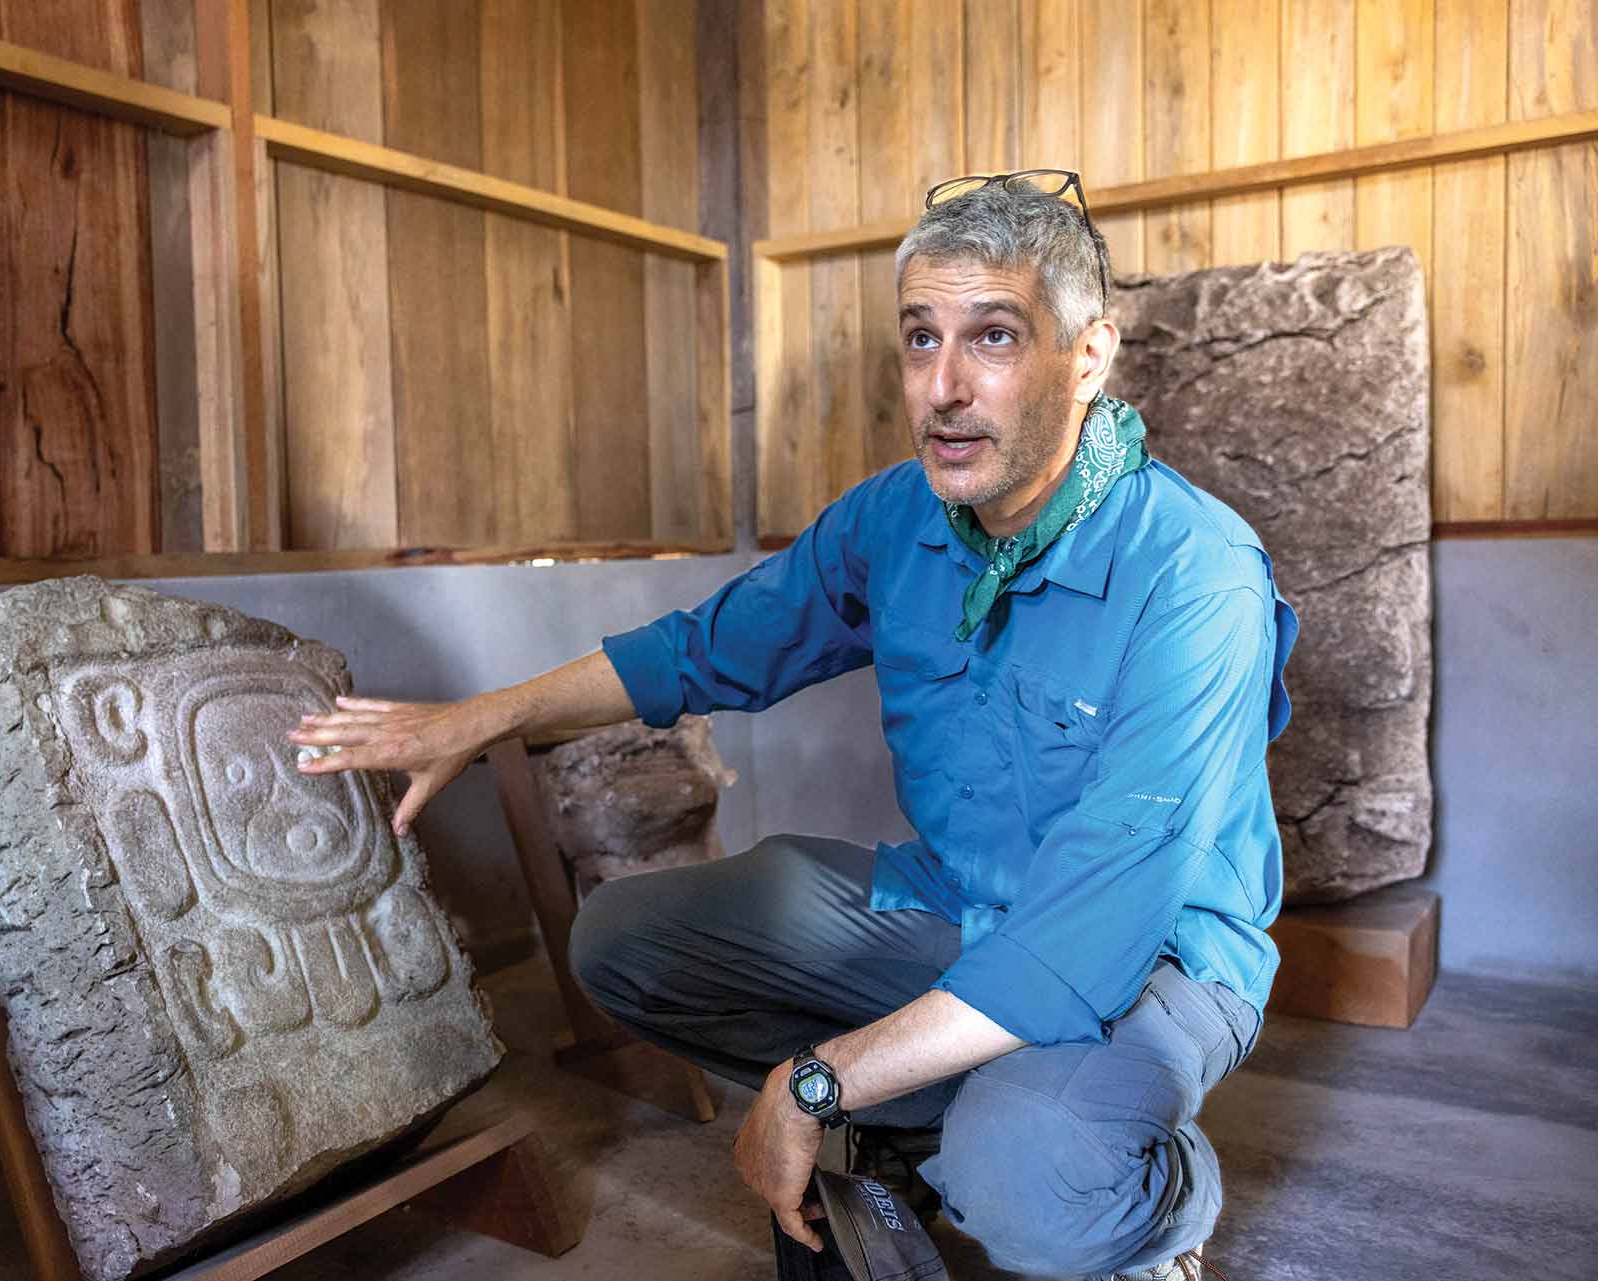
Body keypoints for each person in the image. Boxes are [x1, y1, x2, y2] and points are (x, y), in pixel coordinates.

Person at [288, 171, 1297, 1281]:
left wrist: (815, 1080)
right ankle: (921, 1116)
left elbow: (1089, 931)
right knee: (623, 943)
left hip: (1152, 958)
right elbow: (703, 648)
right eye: (920, 339)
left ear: (1088, 356)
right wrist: (477, 721)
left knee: (1034, 1178)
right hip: (959, 911)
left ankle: (1160, 1199)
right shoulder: (898, 518)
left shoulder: (1198, 575)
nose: (944, 389)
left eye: (994, 338)